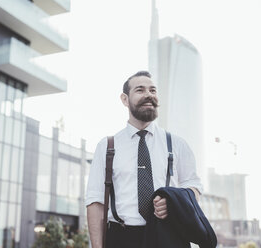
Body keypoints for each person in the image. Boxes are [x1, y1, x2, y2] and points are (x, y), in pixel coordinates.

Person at [86, 71, 203, 248]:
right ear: (125, 99)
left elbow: (194, 186)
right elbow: (95, 201)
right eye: (140, 90)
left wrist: (174, 202)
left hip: (169, 235)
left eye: (153, 90)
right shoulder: (107, 146)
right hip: (121, 237)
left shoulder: (177, 144)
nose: (149, 94)